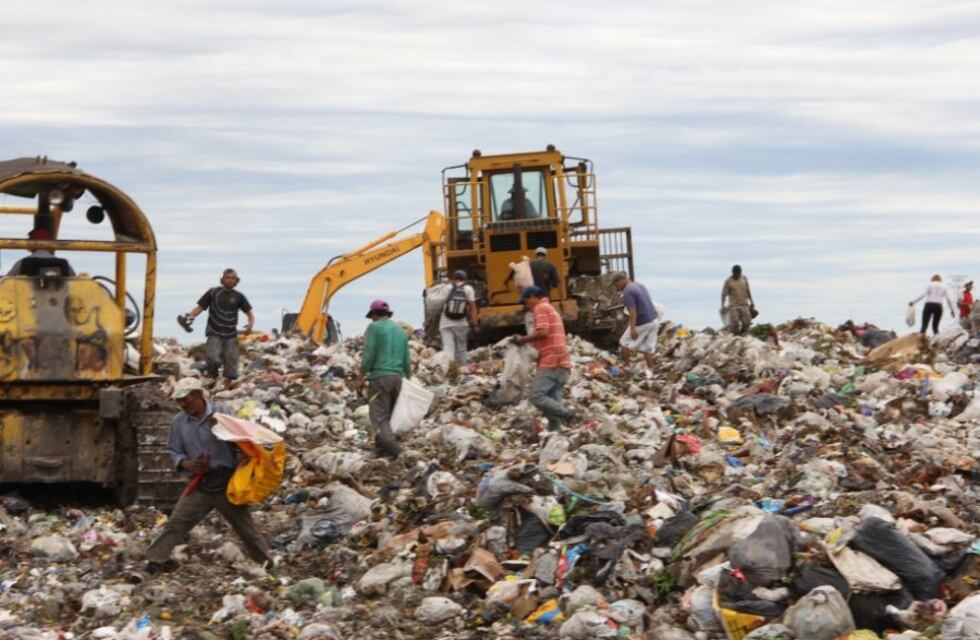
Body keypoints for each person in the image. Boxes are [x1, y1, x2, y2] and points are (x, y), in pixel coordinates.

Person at [145, 378, 271, 573]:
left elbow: (243, 442)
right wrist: (188, 464)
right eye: (179, 401)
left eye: (185, 400)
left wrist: (221, 428)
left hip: (227, 483)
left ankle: (267, 565)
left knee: (246, 529)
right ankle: (154, 563)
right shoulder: (179, 422)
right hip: (201, 484)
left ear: (198, 395)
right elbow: (175, 451)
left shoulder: (223, 412)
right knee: (176, 523)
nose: (182, 405)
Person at [514, 286, 575, 431]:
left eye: (526, 301)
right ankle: (555, 436)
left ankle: (568, 414)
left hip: (552, 360)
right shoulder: (550, 308)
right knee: (553, 401)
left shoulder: (540, 308)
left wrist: (522, 340)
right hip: (562, 360)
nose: (526, 305)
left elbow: (543, 331)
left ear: (533, 297)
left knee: (537, 397)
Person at [356, 300, 411, 457]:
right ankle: (382, 449)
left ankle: (398, 452)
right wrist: (407, 378)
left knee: (380, 418)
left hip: (380, 379)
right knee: (392, 416)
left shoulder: (374, 327)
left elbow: (369, 355)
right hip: (398, 378)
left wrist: (360, 377)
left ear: (374, 314)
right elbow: (407, 359)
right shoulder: (401, 332)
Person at [183, 269, 254, 389]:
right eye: (228, 278)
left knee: (231, 362)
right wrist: (189, 317)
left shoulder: (239, 296)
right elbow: (200, 307)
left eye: (233, 278)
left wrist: (250, 325)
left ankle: (226, 388)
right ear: (222, 280)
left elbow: (249, 313)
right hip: (214, 332)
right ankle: (213, 377)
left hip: (231, 334)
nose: (231, 280)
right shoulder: (213, 293)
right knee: (212, 357)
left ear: (236, 281)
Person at [612, 273, 659, 376]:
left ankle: (627, 367)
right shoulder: (639, 285)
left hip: (643, 322)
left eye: (616, 285)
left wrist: (633, 328)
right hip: (654, 320)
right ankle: (651, 373)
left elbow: (633, 311)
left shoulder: (628, 291)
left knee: (624, 343)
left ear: (621, 280)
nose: (617, 288)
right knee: (648, 348)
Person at [439, 270, 478, 365]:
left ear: (453, 278)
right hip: (461, 324)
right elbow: (473, 308)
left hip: (445, 324)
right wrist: (475, 324)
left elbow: (439, 306)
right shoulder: (468, 289)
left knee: (448, 349)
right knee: (461, 349)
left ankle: (450, 372)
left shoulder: (447, 288)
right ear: (465, 279)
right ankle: (463, 371)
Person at [721, 265, 755, 336]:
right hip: (734, 306)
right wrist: (722, 306)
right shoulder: (728, 281)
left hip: (744, 305)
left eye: (738, 274)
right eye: (735, 274)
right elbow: (724, 294)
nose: (736, 275)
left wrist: (751, 301)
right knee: (735, 324)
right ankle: (735, 336)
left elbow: (748, 291)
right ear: (733, 273)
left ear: (740, 273)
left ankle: (742, 334)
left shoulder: (744, 279)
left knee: (747, 322)